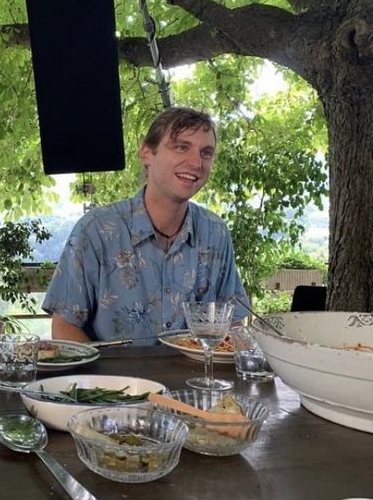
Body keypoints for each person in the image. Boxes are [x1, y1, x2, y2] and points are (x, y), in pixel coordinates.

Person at [42, 106, 249, 344]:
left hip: (194, 381)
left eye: (206, 153)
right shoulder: (96, 230)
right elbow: (64, 326)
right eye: (181, 147)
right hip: (113, 381)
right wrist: (103, 381)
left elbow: (233, 323)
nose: (196, 162)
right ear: (147, 154)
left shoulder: (215, 233)